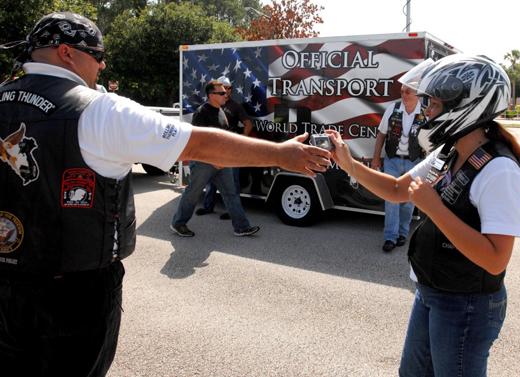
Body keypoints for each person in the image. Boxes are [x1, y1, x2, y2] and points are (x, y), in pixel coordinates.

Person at [0, 12, 330, 377]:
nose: (103, 64)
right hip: (72, 296)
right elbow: (199, 144)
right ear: (66, 52)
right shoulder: (99, 109)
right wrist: (282, 154)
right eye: (97, 54)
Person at [327, 55, 520, 376]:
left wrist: (433, 208)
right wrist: (350, 164)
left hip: (466, 303)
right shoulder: (450, 150)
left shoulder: (500, 170)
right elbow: (398, 189)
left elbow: (495, 259)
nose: (427, 111)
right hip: (432, 290)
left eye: (435, 104)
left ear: (467, 106)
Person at [171, 80, 259, 237]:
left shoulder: (221, 112)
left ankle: (241, 227)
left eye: (226, 91)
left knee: (231, 194)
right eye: (222, 92)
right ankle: (178, 224)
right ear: (211, 95)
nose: (226, 94)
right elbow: (198, 141)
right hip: (204, 163)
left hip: (222, 162)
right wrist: (214, 160)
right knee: (193, 193)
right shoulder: (202, 112)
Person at [372, 83, 426, 252]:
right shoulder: (393, 109)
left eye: (408, 91)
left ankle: (403, 233)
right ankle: (390, 237)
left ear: (417, 94)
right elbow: (381, 134)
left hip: (414, 162)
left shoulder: (425, 113)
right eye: (402, 91)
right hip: (392, 160)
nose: (404, 94)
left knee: (409, 200)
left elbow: (432, 140)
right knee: (391, 199)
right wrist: (376, 159)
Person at [197, 75, 254, 219]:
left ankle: (231, 211)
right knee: (211, 180)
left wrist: (242, 142)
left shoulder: (235, 106)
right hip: (213, 149)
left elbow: (248, 124)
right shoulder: (209, 107)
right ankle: (208, 206)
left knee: (232, 181)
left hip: (230, 149)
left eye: (228, 88)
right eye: (223, 89)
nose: (226, 91)